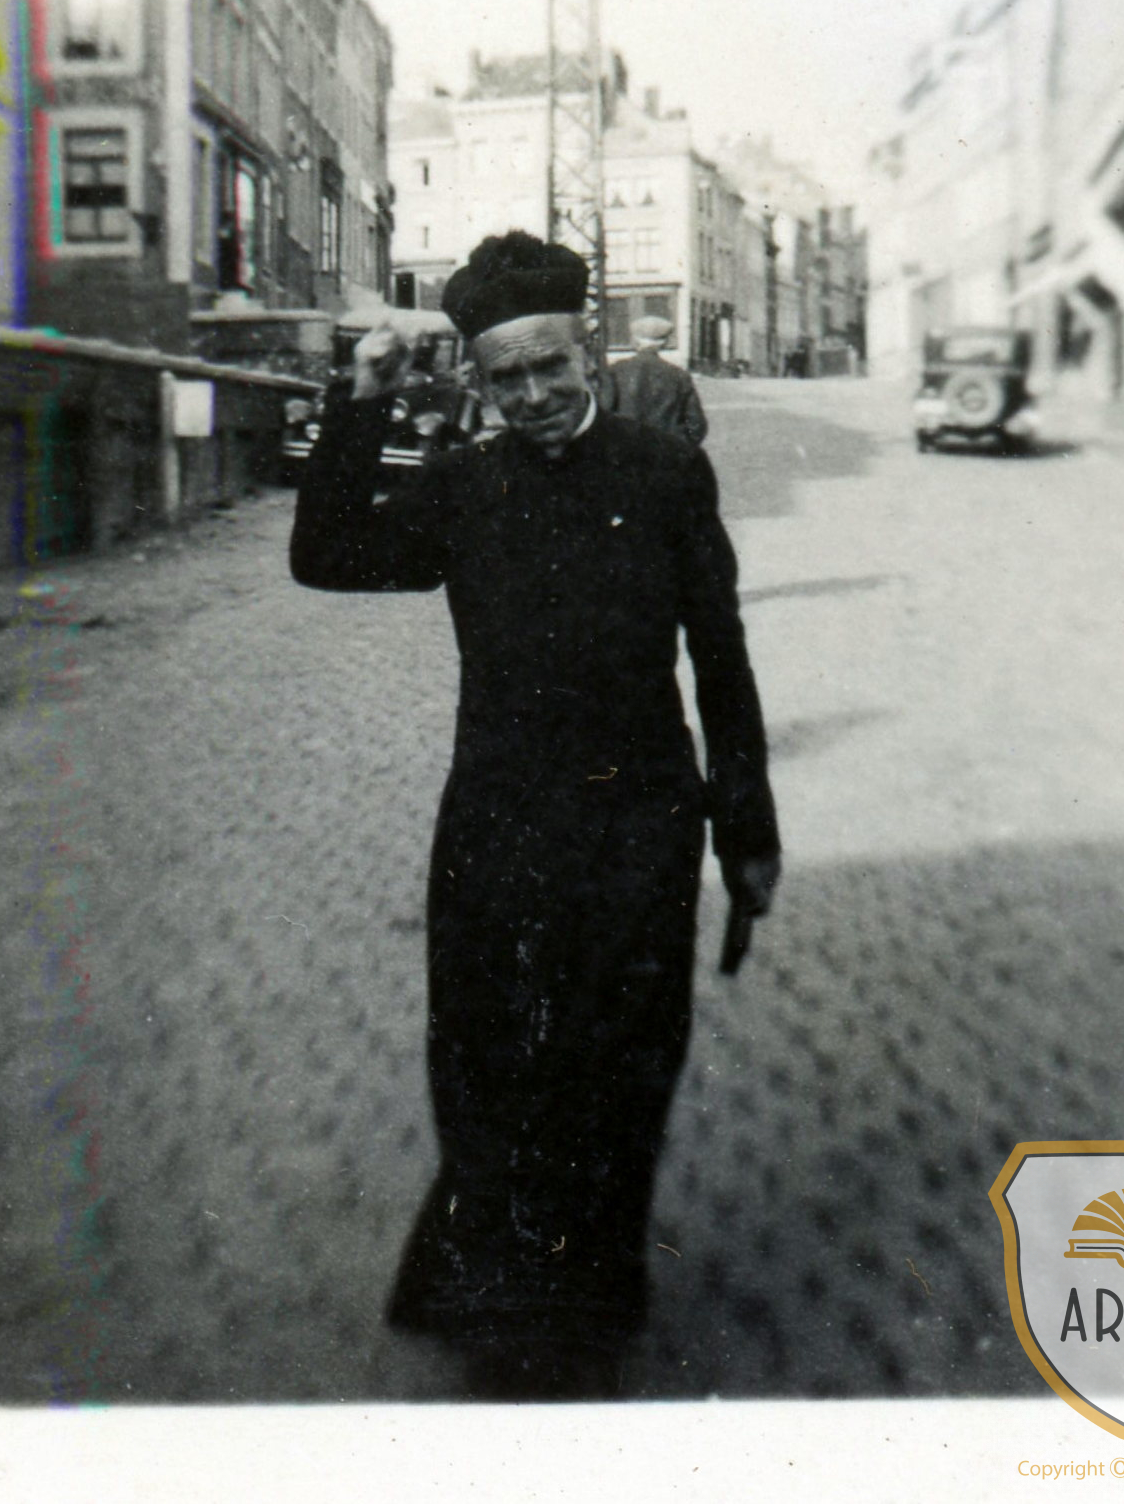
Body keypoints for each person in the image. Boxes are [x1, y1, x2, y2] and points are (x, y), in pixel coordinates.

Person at [290, 232, 780, 1400]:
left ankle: (582, 1306)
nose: (532, 395)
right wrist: (358, 402)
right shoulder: (463, 487)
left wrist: (745, 831)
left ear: (586, 352)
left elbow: (719, 658)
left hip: (638, 819)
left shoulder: (663, 474)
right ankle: (495, 1285)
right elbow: (326, 556)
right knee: (488, 1053)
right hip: (497, 819)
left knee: (618, 1060)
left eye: (548, 367)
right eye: (504, 378)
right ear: (478, 382)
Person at [604, 315, 709, 447]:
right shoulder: (679, 375)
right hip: (666, 450)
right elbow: (696, 424)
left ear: (634, 340)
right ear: (665, 343)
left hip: (625, 450)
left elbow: (603, 415)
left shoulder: (616, 371)